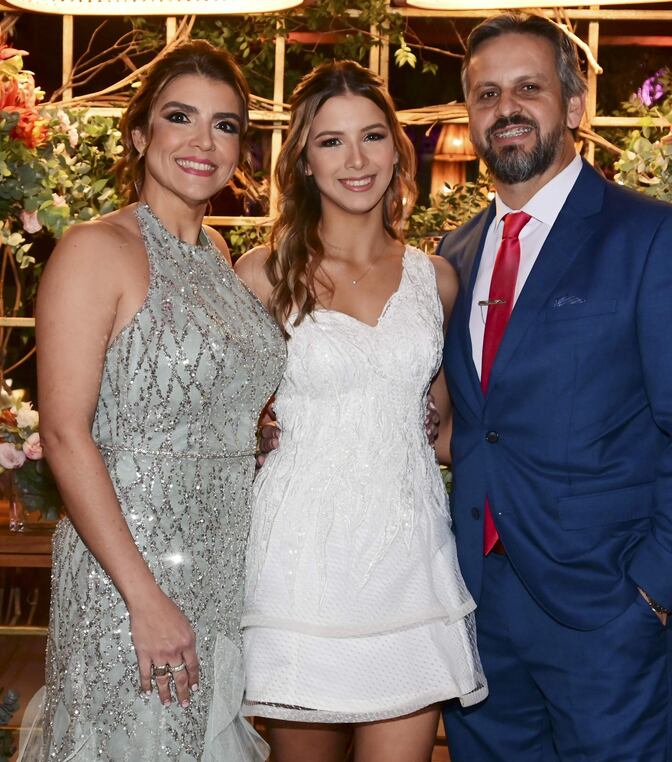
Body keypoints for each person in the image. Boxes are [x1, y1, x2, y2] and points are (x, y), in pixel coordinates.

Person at [437, 13, 672, 762]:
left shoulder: (653, 237)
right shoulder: (455, 252)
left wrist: (653, 591)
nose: (505, 108)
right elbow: (468, 421)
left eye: (528, 88)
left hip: (607, 610)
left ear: (573, 106)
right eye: (486, 94)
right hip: (474, 606)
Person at [26, 41, 284, 761]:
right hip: (129, 581)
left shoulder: (221, 260)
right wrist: (143, 597)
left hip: (220, 569)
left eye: (226, 125)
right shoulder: (93, 249)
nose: (204, 143)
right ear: (141, 134)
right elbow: (66, 434)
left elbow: (199, 404)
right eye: (181, 118)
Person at [235, 60, 487, 762]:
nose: (356, 159)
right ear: (305, 161)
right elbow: (223, 413)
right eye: (331, 141)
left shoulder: (434, 278)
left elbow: (437, 425)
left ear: (396, 151)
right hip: (298, 566)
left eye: (372, 137)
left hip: (408, 559)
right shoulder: (261, 272)